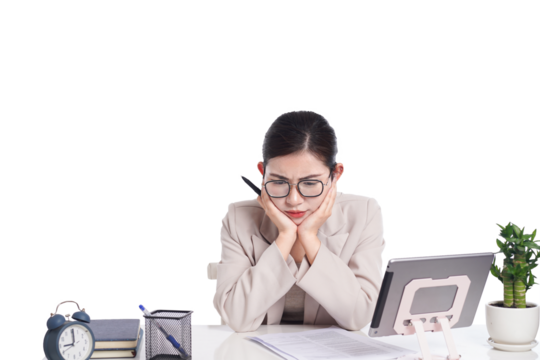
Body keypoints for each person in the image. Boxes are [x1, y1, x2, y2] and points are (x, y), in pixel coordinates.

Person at [212, 108, 387, 333]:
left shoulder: (363, 213)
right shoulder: (238, 217)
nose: (294, 201)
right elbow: (235, 317)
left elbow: (360, 315)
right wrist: (285, 238)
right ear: (261, 171)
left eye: (310, 184)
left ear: (336, 174)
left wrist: (308, 239)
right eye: (278, 182)